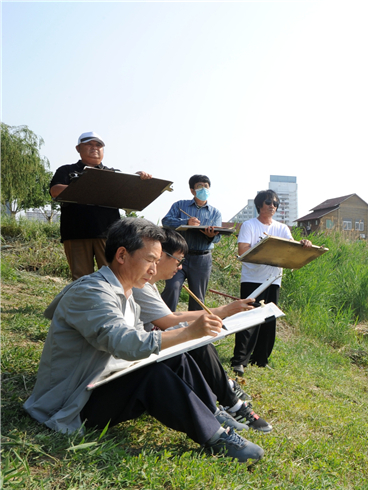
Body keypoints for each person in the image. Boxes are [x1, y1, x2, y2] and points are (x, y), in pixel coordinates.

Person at [23, 218, 264, 463]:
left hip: (100, 382)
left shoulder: (126, 293)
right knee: (153, 376)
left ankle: (212, 414)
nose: (153, 269)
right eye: (149, 260)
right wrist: (188, 332)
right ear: (121, 255)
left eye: (157, 262)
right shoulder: (91, 293)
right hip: (71, 403)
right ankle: (215, 437)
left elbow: (144, 340)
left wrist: (187, 334)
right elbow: (126, 343)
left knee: (175, 358)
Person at [131, 228, 272, 432]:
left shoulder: (148, 285)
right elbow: (170, 321)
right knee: (196, 342)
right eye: (179, 260)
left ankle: (223, 391)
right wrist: (222, 311)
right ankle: (232, 403)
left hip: (147, 346)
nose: (180, 268)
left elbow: (173, 317)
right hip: (140, 353)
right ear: (160, 256)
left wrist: (222, 311)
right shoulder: (140, 286)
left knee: (198, 339)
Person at [49, 131, 153, 280]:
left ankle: (112, 303)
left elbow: (128, 194)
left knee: (114, 276)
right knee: (81, 278)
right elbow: (55, 191)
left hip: (109, 234)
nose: (94, 148)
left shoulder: (111, 174)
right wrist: (89, 187)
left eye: (98, 145)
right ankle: (84, 304)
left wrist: (137, 180)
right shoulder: (67, 170)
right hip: (76, 232)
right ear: (78, 148)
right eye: (89, 144)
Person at [230, 190, 312, 376]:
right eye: (268, 202)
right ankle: (239, 360)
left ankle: (261, 359)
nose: (272, 206)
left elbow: (291, 248)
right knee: (248, 319)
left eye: (275, 203)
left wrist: (304, 243)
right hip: (253, 279)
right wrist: (266, 247)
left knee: (269, 320)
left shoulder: (282, 228)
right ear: (259, 204)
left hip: (274, 279)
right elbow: (243, 250)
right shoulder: (249, 225)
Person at [160, 175, 222, 312]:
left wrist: (211, 236)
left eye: (206, 186)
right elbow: (166, 222)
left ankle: (195, 328)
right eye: (200, 186)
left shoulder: (215, 213)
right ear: (192, 190)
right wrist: (185, 222)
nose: (203, 189)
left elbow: (218, 238)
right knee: (172, 287)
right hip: (179, 256)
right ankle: (163, 323)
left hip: (202, 258)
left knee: (198, 297)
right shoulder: (179, 205)